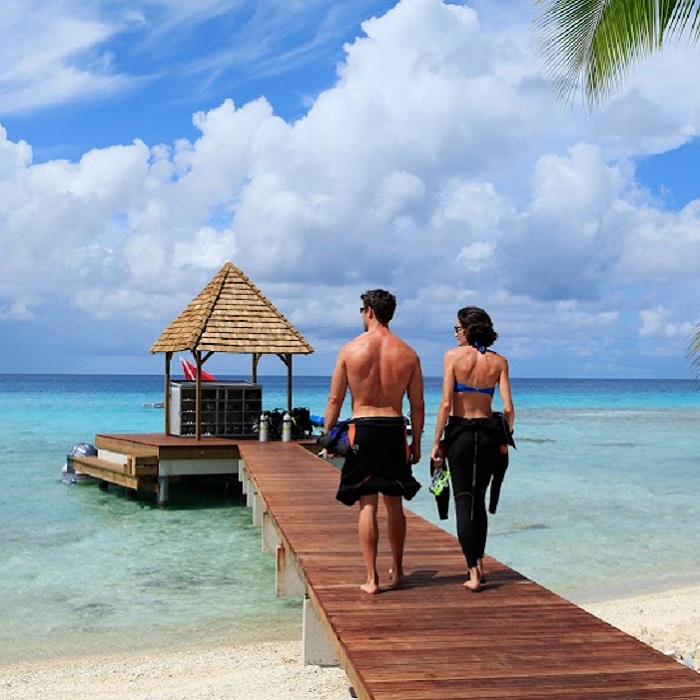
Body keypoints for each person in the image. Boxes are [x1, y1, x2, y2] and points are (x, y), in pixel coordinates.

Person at [324, 289, 424, 594]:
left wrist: (329, 439)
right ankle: (398, 571)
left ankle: (372, 578)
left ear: (369, 311)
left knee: (367, 503)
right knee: (394, 503)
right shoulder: (408, 353)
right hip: (395, 428)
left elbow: (335, 400)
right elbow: (418, 406)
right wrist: (416, 443)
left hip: (362, 429)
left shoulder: (350, 350)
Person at [430, 306, 514, 592]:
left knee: (463, 502)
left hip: (461, 434)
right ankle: (481, 563)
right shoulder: (499, 362)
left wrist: (436, 441)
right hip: (489, 435)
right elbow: (507, 408)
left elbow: (444, 404)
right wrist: (506, 437)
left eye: (457, 328)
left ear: (467, 329)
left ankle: (473, 574)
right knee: (478, 501)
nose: (455, 333)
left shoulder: (452, 357)